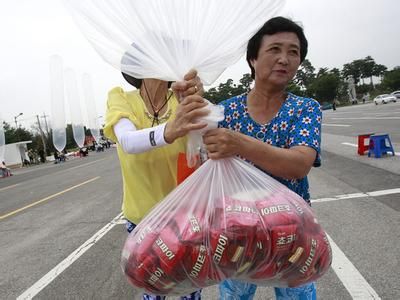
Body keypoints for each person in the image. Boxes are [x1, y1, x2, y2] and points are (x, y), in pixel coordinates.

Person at [200, 16, 322, 299]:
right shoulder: (224, 113)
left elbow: (298, 165)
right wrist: (190, 102)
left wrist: (238, 142)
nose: (284, 59)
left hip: (294, 235)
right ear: (253, 59)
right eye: (275, 49)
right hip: (238, 236)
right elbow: (199, 158)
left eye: (294, 52)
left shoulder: (305, 109)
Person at [103, 69, 207, 300]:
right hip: (142, 218)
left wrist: (199, 102)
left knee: (189, 289)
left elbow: (209, 136)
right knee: (153, 289)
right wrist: (170, 130)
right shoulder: (121, 98)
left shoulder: (182, 96)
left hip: (185, 218)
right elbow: (128, 141)